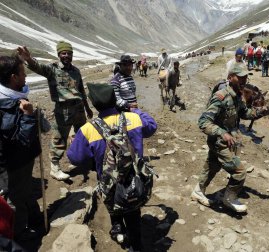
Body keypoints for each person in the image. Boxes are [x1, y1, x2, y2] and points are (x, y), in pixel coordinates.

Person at [67, 83, 157, 250]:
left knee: (112, 202)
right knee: (133, 215)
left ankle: (117, 227)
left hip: (108, 181)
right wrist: (134, 109)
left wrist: (91, 158)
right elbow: (152, 126)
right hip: (134, 179)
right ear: (115, 100)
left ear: (94, 104)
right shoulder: (133, 118)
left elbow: (75, 158)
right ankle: (136, 245)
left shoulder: (88, 129)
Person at [191, 63, 267, 213]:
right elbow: (203, 122)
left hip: (227, 140)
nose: (244, 80)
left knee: (212, 166)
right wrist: (222, 133)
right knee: (239, 172)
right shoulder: (221, 97)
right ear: (230, 77)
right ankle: (229, 198)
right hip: (220, 142)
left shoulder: (238, 96)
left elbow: (244, 113)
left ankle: (198, 191)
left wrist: (260, 112)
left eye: (245, 77)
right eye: (240, 77)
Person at [17, 42, 93, 181]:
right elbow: (38, 67)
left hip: (79, 108)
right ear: (59, 55)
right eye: (64, 53)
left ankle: (83, 157)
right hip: (63, 110)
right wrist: (28, 58)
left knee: (83, 133)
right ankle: (55, 167)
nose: (67, 56)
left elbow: (81, 90)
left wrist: (87, 108)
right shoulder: (52, 69)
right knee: (59, 139)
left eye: (69, 53)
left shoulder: (76, 71)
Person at [0, 55, 41, 240]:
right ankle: (19, 234)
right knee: (15, 198)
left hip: (22, 162)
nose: (25, 77)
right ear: (13, 77)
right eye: (23, 73)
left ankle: (35, 219)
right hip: (13, 163)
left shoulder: (15, 96)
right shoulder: (7, 105)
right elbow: (22, 141)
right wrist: (28, 116)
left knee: (25, 190)